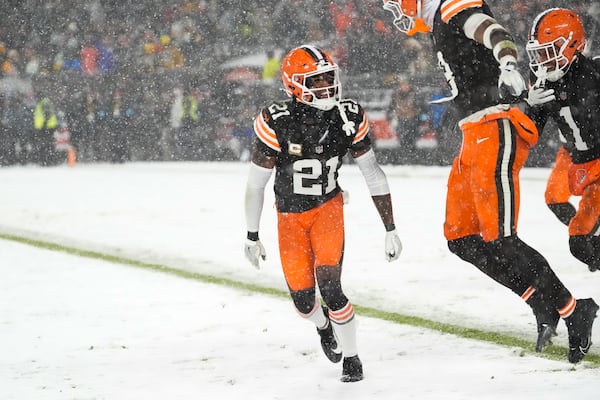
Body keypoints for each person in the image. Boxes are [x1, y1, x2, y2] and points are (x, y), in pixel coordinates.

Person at [382, 0, 597, 363]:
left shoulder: (451, 7)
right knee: (461, 238)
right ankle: (539, 301)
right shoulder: (438, 21)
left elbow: (493, 32)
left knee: (502, 237)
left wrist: (509, 62)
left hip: (494, 128)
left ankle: (575, 309)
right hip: (474, 132)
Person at [243, 45, 403, 382]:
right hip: (289, 216)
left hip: (327, 208)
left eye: (329, 77)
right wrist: (252, 234)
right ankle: (323, 327)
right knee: (303, 302)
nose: (326, 86)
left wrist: (390, 226)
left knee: (331, 287)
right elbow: (256, 184)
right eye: (315, 81)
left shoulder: (346, 116)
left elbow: (372, 172)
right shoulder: (277, 121)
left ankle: (353, 359)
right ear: (294, 85)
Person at [524, 8, 600, 274]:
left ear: (572, 44)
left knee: (580, 243)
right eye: (539, 52)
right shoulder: (541, 81)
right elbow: (530, 130)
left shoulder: (594, 73)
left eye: (549, 50)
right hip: (574, 155)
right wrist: (525, 104)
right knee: (577, 235)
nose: (543, 59)